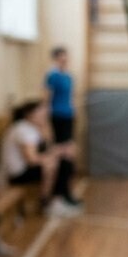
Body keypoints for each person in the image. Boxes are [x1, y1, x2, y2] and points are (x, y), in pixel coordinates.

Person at [0, 100, 79, 217]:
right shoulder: (23, 130)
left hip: (23, 169)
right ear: (29, 114)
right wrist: (53, 157)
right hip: (16, 174)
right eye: (41, 112)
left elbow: (46, 149)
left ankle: (61, 198)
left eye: (45, 112)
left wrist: (61, 149)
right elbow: (32, 159)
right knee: (54, 164)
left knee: (62, 160)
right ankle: (48, 203)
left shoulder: (30, 128)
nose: (45, 115)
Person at [43, 46, 82, 206]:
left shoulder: (69, 76)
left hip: (68, 117)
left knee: (69, 154)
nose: (64, 59)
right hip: (56, 118)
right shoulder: (52, 76)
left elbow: (70, 97)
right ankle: (59, 192)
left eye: (65, 56)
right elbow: (47, 99)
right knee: (62, 154)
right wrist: (46, 122)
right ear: (55, 58)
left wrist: (73, 111)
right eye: (61, 57)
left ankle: (65, 191)